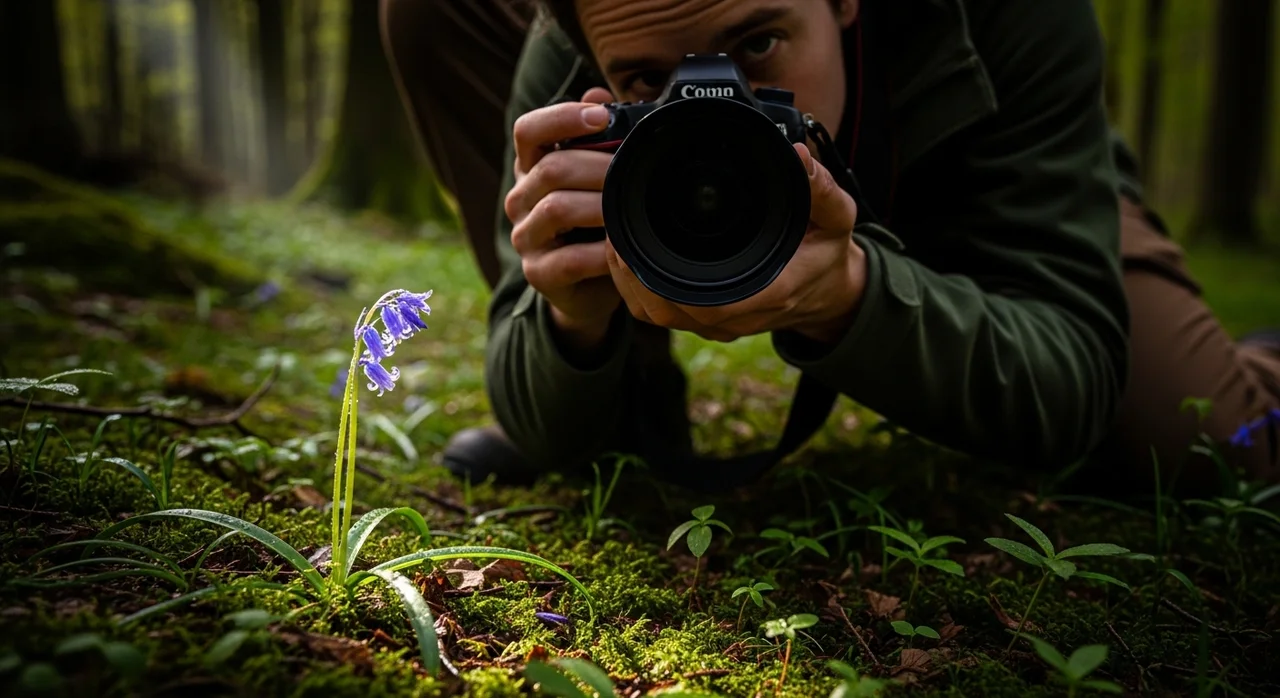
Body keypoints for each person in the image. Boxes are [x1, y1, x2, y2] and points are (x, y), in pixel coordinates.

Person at [380, 0, 1280, 497]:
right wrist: (570, 323)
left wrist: (853, 295)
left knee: (1202, 442)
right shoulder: (570, 51)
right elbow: (523, 363)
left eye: (757, 44)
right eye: (650, 82)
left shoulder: (1017, 20)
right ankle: (626, 396)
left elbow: (1070, 379)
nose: (720, 107)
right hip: (635, 212)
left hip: (989, 176)